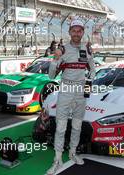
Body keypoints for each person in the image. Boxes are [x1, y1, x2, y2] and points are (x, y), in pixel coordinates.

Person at [46, 19, 96, 175]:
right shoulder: (63, 50)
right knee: (61, 127)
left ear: (82, 32)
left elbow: (93, 70)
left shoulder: (87, 49)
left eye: (79, 30)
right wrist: (55, 58)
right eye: (74, 30)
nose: (76, 33)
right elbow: (51, 75)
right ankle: (57, 159)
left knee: (77, 126)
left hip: (81, 91)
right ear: (69, 32)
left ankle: (72, 153)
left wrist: (89, 81)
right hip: (66, 90)